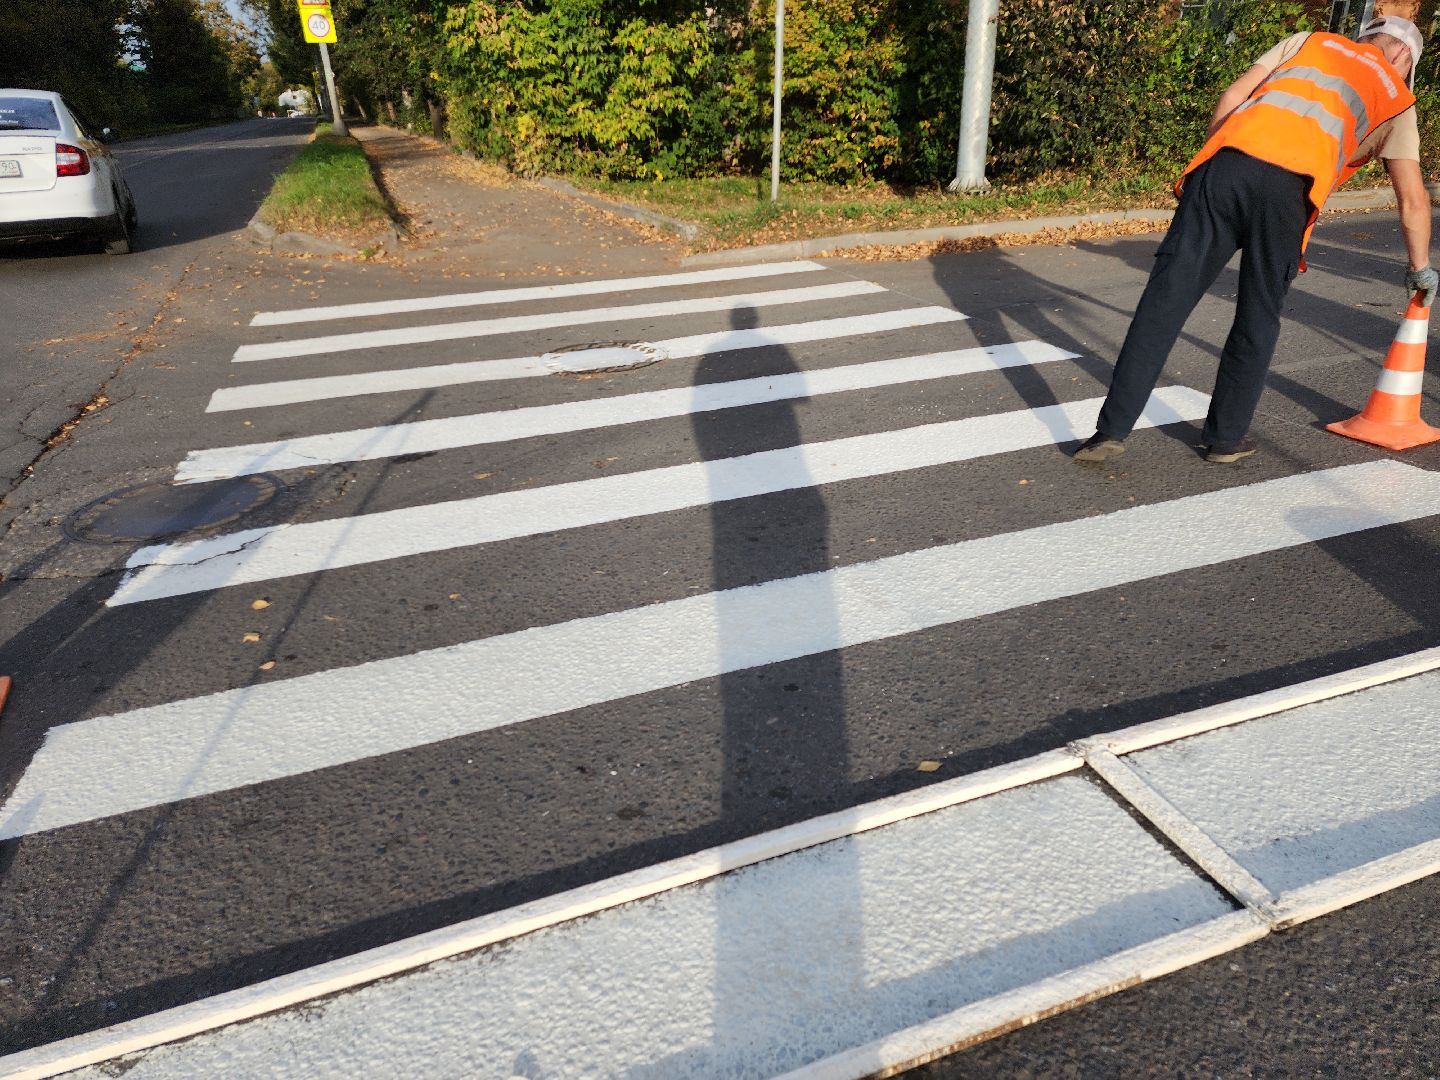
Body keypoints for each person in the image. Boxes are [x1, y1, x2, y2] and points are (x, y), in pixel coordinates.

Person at [1074, 15, 1437, 464]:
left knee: (1164, 301)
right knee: (1257, 314)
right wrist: (1420, 268)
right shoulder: (1398, 98)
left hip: (1226, 165)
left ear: (1367, 38)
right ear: (1402, 55)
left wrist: (1209, 168)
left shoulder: (1310, 41)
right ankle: (1224, 440)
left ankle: (1108, 433)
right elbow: (1413, 200)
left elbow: (1233, 96)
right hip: (1289, 192)